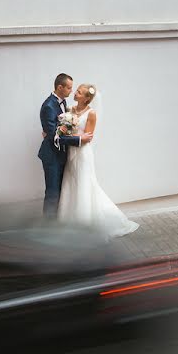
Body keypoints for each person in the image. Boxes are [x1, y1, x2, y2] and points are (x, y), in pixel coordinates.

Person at [57, 83, 138, 238]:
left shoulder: (91, 113)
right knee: (71, 182)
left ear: (87, 98)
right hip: (71, 152)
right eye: (77, 90)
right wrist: (60, 132)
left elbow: (87, 138)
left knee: (84, 184)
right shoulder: (70, 109)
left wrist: (67, 136)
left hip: (82, 154)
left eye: (79, 92)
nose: (75, 93)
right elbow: (65, 129)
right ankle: (69, 221)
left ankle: (85, 224)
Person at [38, 73, 93, 218]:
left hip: (63, 154)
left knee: (62, 191)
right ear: (59, 87)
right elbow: (55, 137)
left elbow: (62, 128)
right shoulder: (49, 106)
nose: (71, 90)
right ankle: (48, 225)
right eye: (69, 88)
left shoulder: (64, 105)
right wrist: (79, 139)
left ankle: (59, 220)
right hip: (51, 155)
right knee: (52, 192)